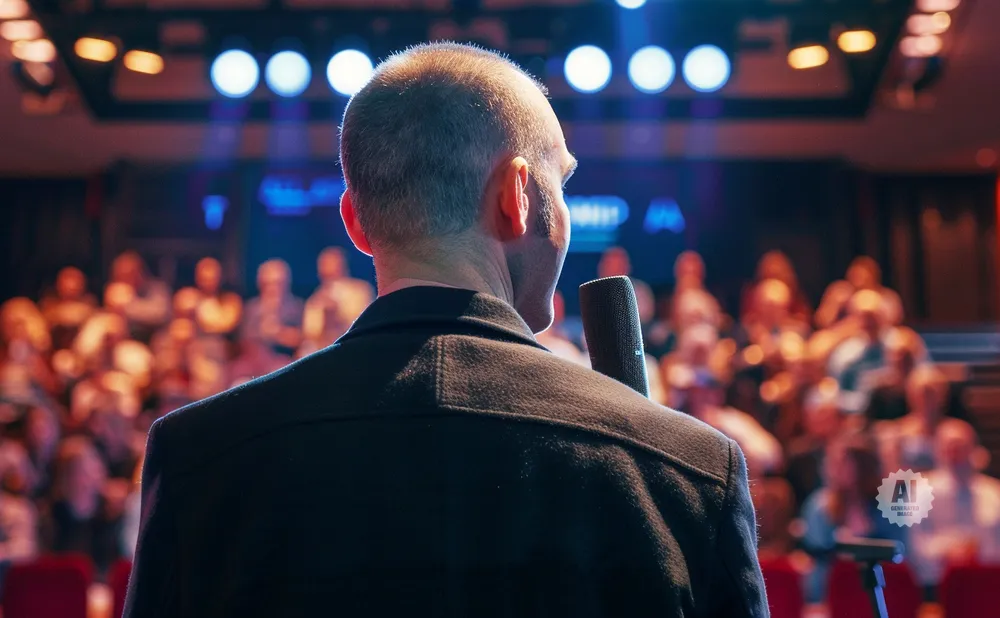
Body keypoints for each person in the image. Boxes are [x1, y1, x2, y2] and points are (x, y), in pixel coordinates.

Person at [124, 43, 767, 617]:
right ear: (517, 196)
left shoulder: (199, 459)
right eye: (561, 184)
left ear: (356, 224)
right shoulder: (689, 470)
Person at [908, 419, 1000, 595]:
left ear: (974, 450)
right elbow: (914, 546)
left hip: (986, 584)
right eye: (949, 447)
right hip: (934, 587)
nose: (955, 453)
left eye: (961, 446)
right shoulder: (917, 492)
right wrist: (949, 550)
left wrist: (976, 552)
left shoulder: (994, 493)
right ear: (937, 450)